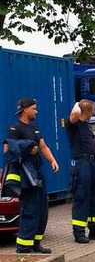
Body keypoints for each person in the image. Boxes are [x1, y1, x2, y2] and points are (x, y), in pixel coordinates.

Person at [3, 98, 59, 253]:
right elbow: (7, 151)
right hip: (26, 174)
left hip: (38, 171)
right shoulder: (15, 129)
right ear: (25, 109)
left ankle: (36, 242)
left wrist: (52, 161)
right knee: (30, 209)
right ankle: (23, 246)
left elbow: (43, 146)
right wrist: (26, 148)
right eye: (34, 108)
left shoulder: (34, 127)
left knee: (42, 209)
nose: (36, 111)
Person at [67, 100, 95, 243]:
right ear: (85, 112)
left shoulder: (86, 125)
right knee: (81, 197)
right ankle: (79, 232)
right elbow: (75, 112)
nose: (93, 115)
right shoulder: (73, 123)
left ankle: (94, 229)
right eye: (91, 112)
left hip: (93, 163)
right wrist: (78, 102)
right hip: (81, 163)